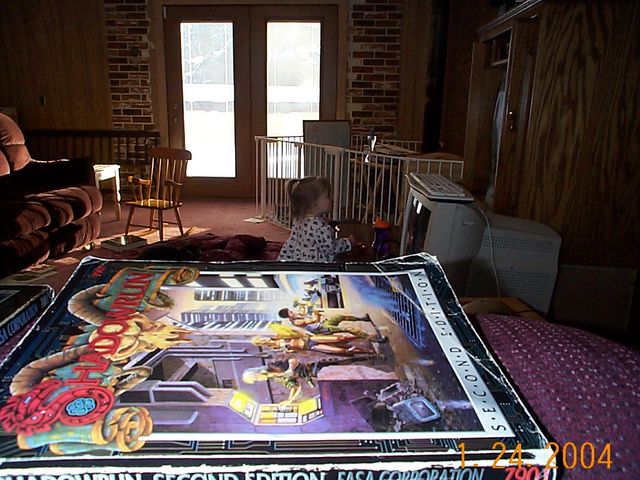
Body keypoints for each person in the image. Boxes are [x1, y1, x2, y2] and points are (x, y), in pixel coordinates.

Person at [278, 176, 356, 262]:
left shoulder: (299, 219)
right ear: (315, 205)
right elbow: (331, 248)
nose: (332, 199)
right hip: (316, 266)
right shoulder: (320, 227)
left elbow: (292, 242)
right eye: (328, 196)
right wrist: (348, 243)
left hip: (299, 261)